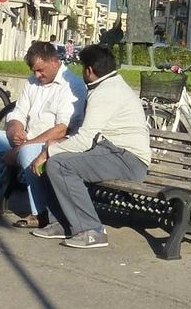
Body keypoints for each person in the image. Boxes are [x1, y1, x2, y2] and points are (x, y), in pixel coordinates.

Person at [28, 44, 151, 249]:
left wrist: (48, 151)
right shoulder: (108, 85)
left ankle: (91, 230)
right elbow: (89, 138)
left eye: (82, 67)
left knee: (59, 164)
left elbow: (85, 140)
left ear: (90, 70)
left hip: (128, 159)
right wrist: (55, 146)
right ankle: (62, 222)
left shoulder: (106, 92)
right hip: (111, 152)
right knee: (57, 159)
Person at [0, 41, 87, 224]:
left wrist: (22, 147)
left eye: (41, 70)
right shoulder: (32, 82)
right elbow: (19, 112)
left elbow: (62, 128)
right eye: (34, 71)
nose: (37, 75)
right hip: (28, 138)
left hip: (53, 143)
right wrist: (14, 128)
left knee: (27, 152)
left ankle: (40, 212)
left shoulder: (72, 85)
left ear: (54, 62)